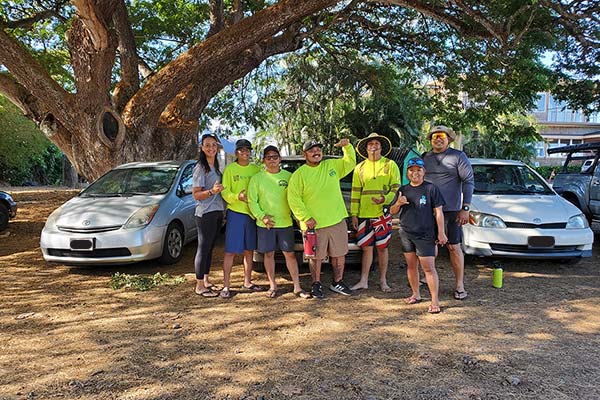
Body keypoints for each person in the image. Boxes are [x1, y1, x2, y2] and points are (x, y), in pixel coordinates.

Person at [288, 138, 356, 299]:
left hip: (337, 220)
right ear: (305, 154)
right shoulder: (299, 175)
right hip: (313, 224)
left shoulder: (331, 166)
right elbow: (294, 199)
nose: (316, 152)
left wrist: (347, 147)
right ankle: (316, 283)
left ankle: (337, 281)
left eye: (318, 149)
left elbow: (350, 162)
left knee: (339, 254)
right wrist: (305, 217)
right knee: (316, 257)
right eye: (311, 150)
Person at [247, 145, 311, 299]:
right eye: (268, 157)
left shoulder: (289, 177)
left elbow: (297, 198)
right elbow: (252, 201)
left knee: (290, 254)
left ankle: (297, 287)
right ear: (264, 160)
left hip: (285, 223)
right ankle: (272, 286)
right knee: (268, 255)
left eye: (275, 156)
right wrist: (263, 217)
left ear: (280, 159)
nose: (272, 160)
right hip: (266, 225)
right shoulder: (257, 179)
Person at [422, 125, 474, 300]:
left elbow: (468, 181)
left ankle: (459, 284)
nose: (438, 139)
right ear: (430, 139)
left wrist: (465, 208)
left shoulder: (458, 156)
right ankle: (428, 277)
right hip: (428, 210)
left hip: (451, 211)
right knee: (428, 245)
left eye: (442, 136)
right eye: (435, 136)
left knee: (453, 247)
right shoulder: (425, 158)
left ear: (449, 139)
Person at [390, 157, 447, 314]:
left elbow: (439, 212)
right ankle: (416, 294)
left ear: (424, 172)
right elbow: (392, 212)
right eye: (411, 170)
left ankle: (435, 301)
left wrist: (441, 232)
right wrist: (398, 203)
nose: (415, 173)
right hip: (406, 232)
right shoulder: (403, 190)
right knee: (411, 265)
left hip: (425, 234)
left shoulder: (431, 189)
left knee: (428, 268)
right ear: (407, 173)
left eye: (418, 170)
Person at [349, 133, 400, 292]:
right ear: (366, 148)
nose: (373, 146)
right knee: (366, 248)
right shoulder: (360, 168)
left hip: (382, 214)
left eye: (377, 143)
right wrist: (354, 214)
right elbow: (355, 192)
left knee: (382, 248)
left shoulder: (390, 164)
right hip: (364, 214)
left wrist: (384, 199)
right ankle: (364, 280)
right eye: (370, 144)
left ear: (381, 146)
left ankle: (383, 280)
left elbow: (396, 188)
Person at [220, 139, 262, 299]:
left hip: (252, 214)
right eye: (242, 150)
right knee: (231, 251)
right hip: (236, 213)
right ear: (236, 152)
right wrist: (238, 196)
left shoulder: (256, 169)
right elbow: (224, 192)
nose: (245, 152)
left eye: (248, 150)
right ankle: (226, 286)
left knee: (249, 250)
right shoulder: (230, 170)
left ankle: (247, 281)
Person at [192, 133, 225, 297]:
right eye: (207, 145)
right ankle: (199, 286)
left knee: (210, 247)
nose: (211, 148)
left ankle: (205, 280)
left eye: (214, 145)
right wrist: (212, 191)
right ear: (202, 148)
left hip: (217, 211)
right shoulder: (200, 168)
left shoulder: (216, 166)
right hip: (205, 213)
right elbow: (196, 194)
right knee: (203, 248)